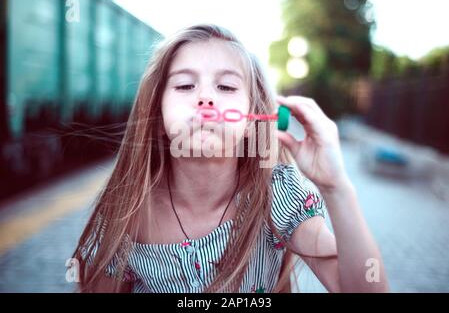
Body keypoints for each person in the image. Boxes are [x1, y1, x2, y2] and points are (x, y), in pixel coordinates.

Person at [71, 24, 388, 293]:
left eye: (225, 86)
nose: (205, 97)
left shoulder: (279, 196)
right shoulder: (129, 209)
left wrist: (337, 187)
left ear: (253, 120)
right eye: (185, 85)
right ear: (157, 111)